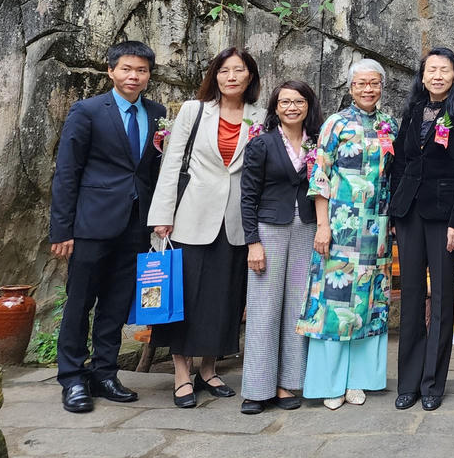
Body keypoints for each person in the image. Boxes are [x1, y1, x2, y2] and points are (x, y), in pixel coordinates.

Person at [49, 41, 166, 413]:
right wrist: (62, 230)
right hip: (91, 224)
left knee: (116, 304)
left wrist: (160, 216)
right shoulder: (87, 111)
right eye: (127, 69)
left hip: (135, 225)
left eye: (142, 70)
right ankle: (72, 378)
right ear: (111, 70)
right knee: (80, 302)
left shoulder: (157, 112)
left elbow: (153, 171)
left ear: (149, 75)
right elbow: (67, 172)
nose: (134, 76)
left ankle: (105, 373)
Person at [148, 47, 262, 407]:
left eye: (238, 70)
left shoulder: (260, 116)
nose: (231, 77)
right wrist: (162, 215)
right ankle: (181, 373)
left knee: (224, 298)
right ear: (215, 76)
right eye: (224, 70)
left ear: (250, 76)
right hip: (191, 216)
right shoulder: (194, 111)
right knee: (186, 296)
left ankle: (208, 369)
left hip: (236, 221)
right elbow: (171, 163)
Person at [296, 59, 396, 409]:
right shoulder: (335, 123)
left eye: (374, 83)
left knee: (369, 301)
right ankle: (331, 383)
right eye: (361, 83)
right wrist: (322, 225)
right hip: (340, 226)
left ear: (381, 86)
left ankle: (359, 380)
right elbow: (320, 177)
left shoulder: (389, 125)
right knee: (335, 302)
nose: (368, 89)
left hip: (377, 228)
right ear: (351, 87)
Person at [391, 47, 454, 412]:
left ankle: (432, 383)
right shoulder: (413, 110)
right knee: (412, 295)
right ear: (423, 75)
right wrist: (396, 210)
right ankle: (408, 383)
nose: (438, 75)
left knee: (443, 299)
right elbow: (400, 161)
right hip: (409, 214)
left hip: (445, 218)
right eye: (431, 70)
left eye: (444, 69)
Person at [238, 80, 323, 414]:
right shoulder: (261, 143)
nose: (292, 107)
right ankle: (256, 389)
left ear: (308, 106)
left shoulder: (317, 142)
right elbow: (248, 196)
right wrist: (252, 242)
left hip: (306, 230)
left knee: (296, 309)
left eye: (299, 101)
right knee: (264, 309)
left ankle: (287, 383)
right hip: (269, 229)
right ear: (275, 107)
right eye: (285, 101)